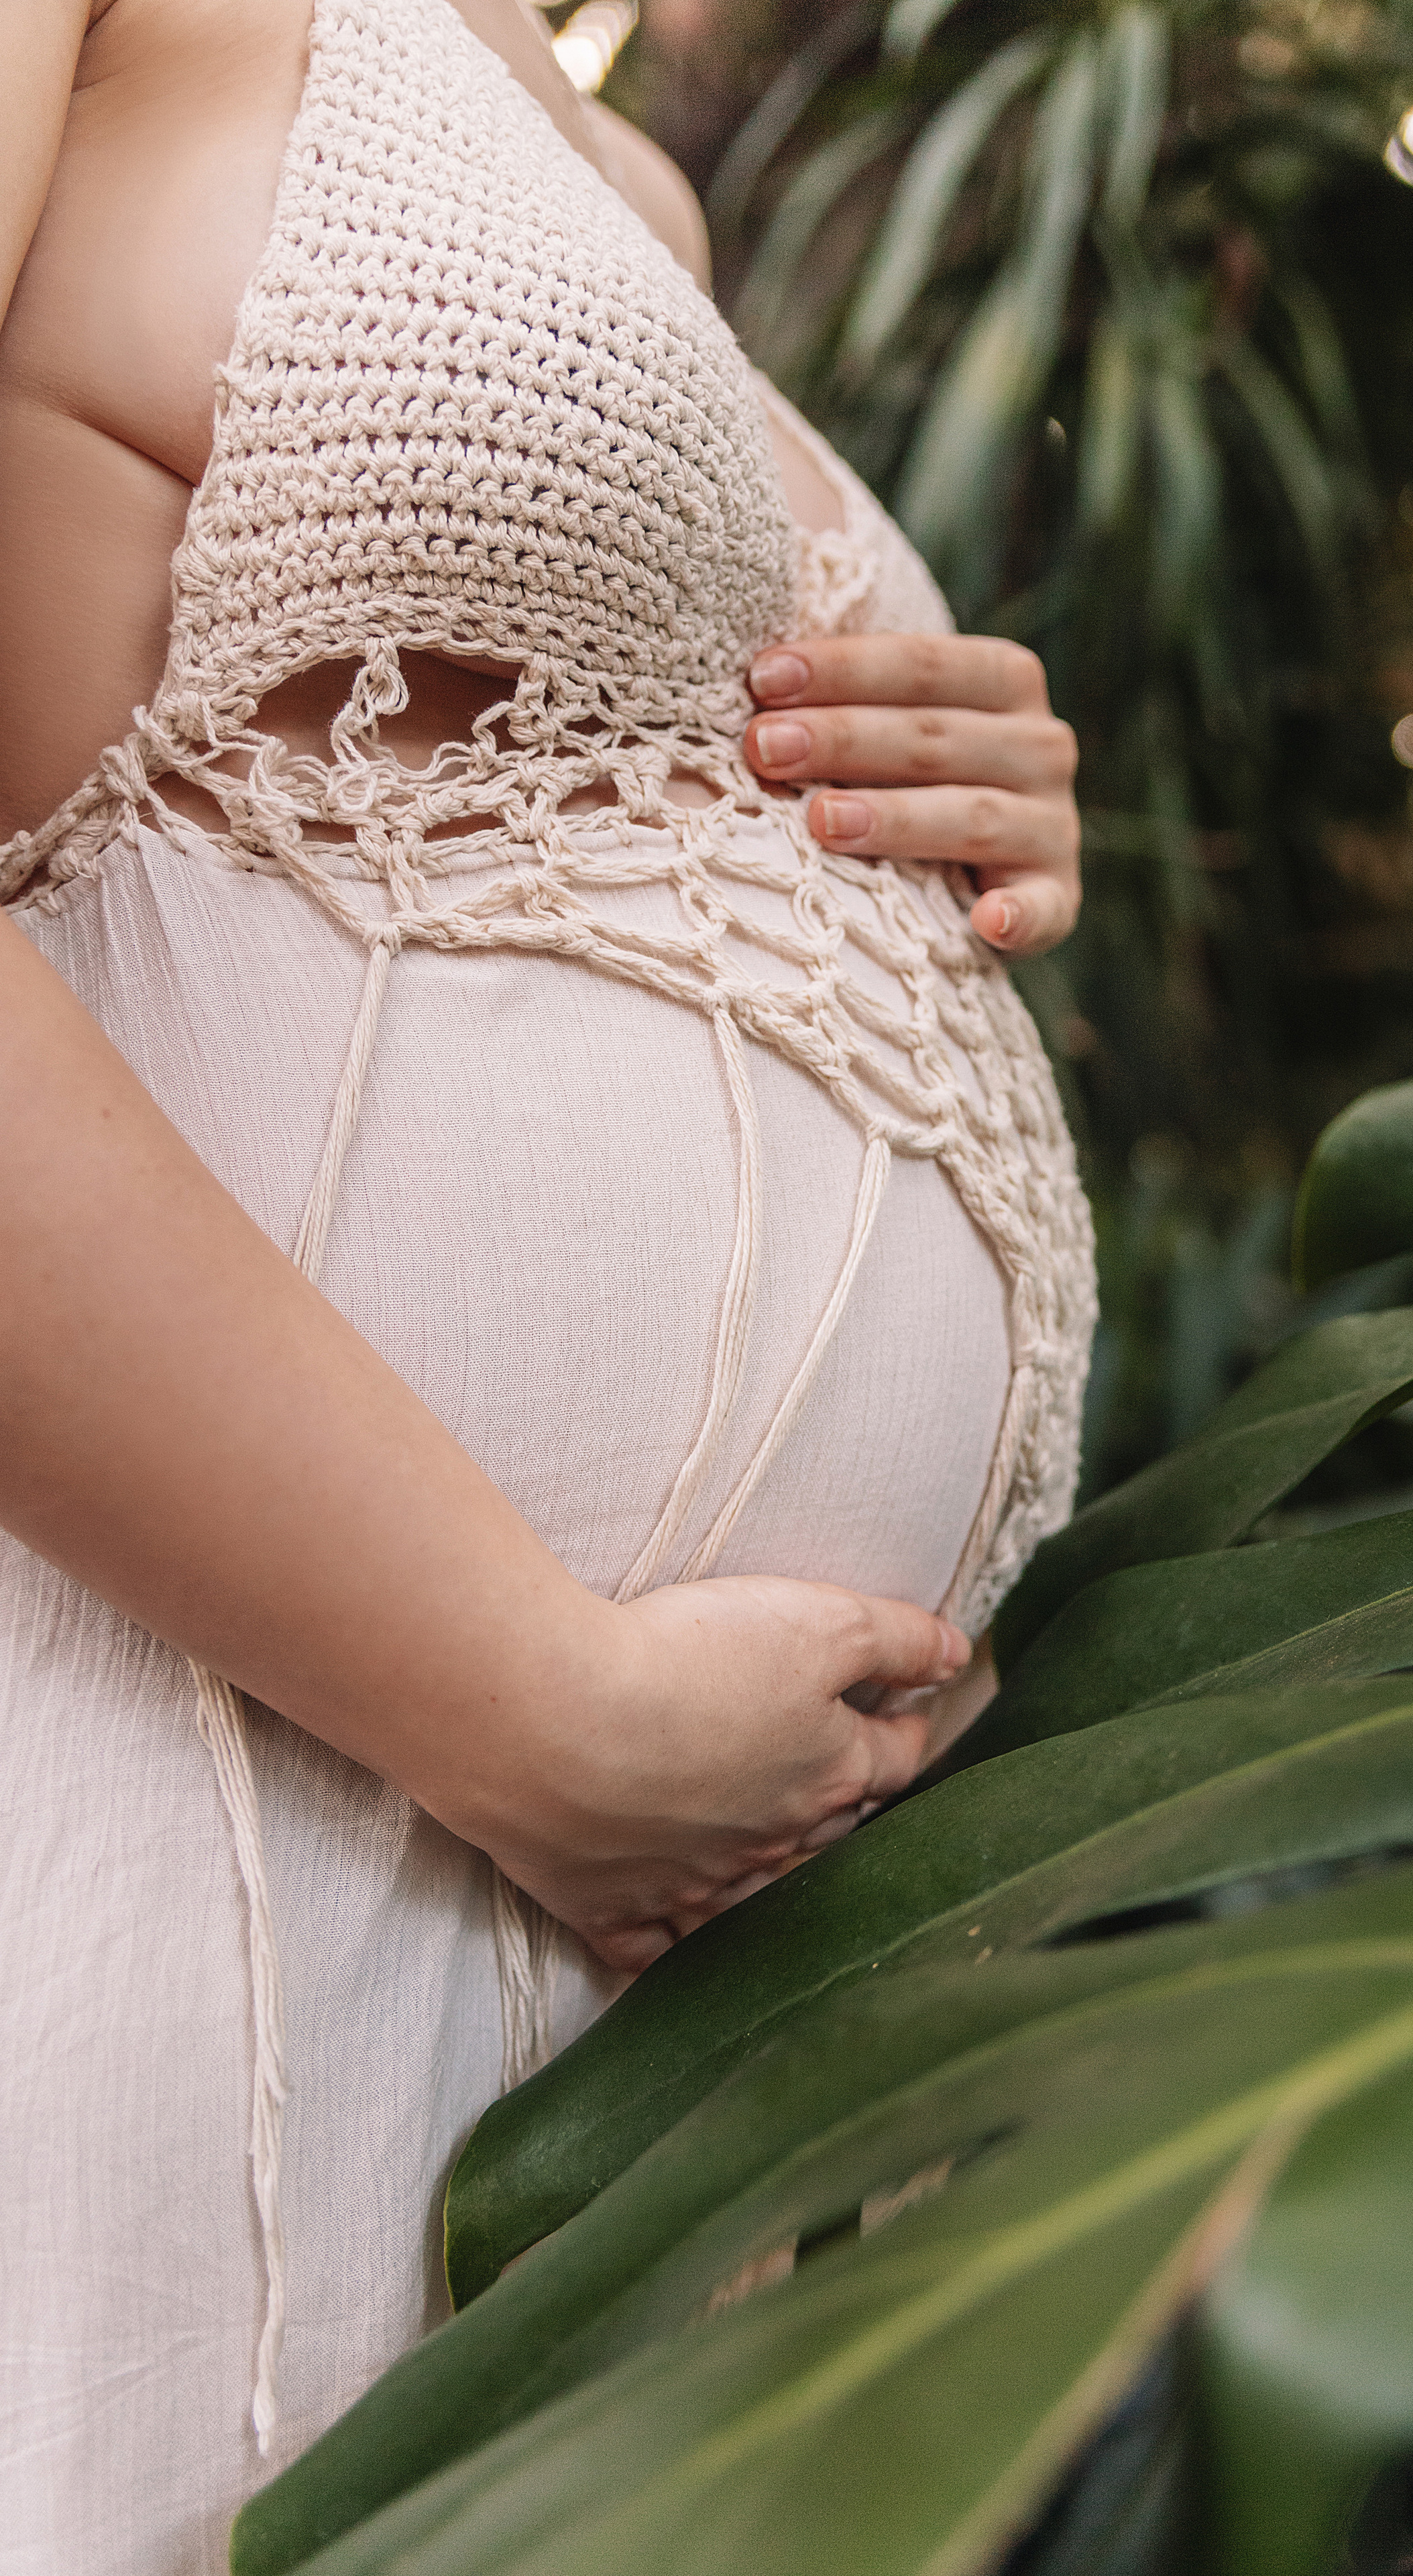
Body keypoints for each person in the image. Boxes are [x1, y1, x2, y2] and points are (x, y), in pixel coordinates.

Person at [0, 1, 1095, 2566]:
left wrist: (928, 795)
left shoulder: (625, 169)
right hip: (197, 1781)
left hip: (666, 2007)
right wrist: (525, 1691)